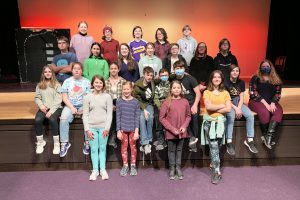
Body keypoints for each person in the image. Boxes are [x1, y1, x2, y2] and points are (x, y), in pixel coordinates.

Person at [201, 70, 231, 185]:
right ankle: (216, 172)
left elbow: (228, 109)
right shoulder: (207, 92)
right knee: (213, 147)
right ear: (211, 79)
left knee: (217, 148)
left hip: (221, 124)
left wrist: (215, 108)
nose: (217, 79)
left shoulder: (226, 93)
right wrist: (222, 105)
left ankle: (213, 164)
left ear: (222, 79)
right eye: (215, 77)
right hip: (210, 124)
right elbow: (208, 107)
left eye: (219, 77)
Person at [83, 75, 113, 181]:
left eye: (100, 82)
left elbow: (110, 114)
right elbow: (85, 115)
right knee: (94, 149)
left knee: (103, 149)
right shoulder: (87, 97)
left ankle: (102, 170)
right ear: (92, 84)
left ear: (103, 84)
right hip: (91, 128)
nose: (98, 84)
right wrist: (87, 130)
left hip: (104, 128)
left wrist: (107, 128)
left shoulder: (107, 97)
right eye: (96, 82)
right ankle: (95, 170)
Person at [159, 80, 191, 180]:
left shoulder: (185, 101)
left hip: (182, 131)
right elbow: (161, 118)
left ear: (181, 89)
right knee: (171, 150)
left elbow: (188, 116)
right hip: (170, 132)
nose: (176, 90)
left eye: (178, 88)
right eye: (174, 88)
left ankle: (178, 167)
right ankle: (172, 168)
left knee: (179, 149)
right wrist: (172, 129)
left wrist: (184, 126)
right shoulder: (166, 102)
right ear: (171, 89)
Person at [248, 59, 283, 149]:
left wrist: (272, 102)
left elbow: (277, 93)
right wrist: (266, 104)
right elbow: (253, 93)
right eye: (263, 66)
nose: (265, 68)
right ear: (260, 68)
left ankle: (268, 138)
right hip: (256, 101)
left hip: (271, 102)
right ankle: (265, 135)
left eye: (267, 66)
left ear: (271, 68)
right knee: (264, 112)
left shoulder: (276, 79)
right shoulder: (255, 78)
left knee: (278, 112)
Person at [59, 62, 91, 157]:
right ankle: (64, 143)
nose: (77, 70)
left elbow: (88, 97)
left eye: (79, 68)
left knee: (87, 118)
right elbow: (64, 98)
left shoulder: (87, 81)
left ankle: (87, 142)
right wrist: (72, 107)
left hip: (83, 105)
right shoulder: (67, 81)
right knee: (63, 118)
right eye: (75, 68)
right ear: (72, 70)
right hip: (69, 105)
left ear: (82, 71)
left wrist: (83, 109)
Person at [225, 65, 258, 155]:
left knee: (250, 116)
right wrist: (235, 108)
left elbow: (242, 98)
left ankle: (250, 140)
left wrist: (239, 108)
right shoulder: (225, 83)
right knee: (231, 117)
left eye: (237, 71)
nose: (235, 72)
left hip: (239, 103)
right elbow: (226, 99)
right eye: (233, 71)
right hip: (229, 103)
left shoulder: (241, 83)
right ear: (230, 72)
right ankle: (229, 142)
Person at [170, 60, 200, 152]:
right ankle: (190, 137)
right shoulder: (172, 78)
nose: (179, 70)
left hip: (191, 103)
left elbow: (198, 93)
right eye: (177, 68)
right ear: (174, 70)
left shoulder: (191, 79)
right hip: (179, 104)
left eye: (181, 68)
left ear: (184, 69)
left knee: (194, 116)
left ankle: (194, 138)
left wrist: (195, 105)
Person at [34, 65, 62, 154]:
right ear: (43, 74)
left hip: (55, 107)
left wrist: (51, 111)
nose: (48, 73)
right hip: (44, 108)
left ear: (52, 73)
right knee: (38, 120)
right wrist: (41, 105)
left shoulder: (57, 85)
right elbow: (37, 98)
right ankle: (40, 142)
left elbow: (59, 99)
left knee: (53, 119)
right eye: (45, 72)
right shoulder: (39, 85)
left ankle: (57, 143)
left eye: (49, 71)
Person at [133, 67, 160, 155]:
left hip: (149, 104)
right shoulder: (137, 85)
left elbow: (164, 78)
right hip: (140, 105)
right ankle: (144, 143)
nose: (149, 77)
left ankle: (149, 140)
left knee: (150, 117)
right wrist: (143, 109)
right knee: (141, 118)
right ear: (144, 75)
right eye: (147, 75)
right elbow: (137, 99)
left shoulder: (152, 82)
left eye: (151, 75)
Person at [116, 81, 140, 176]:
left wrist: (137, 131)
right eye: (124, 89)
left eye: (128, 89)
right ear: (122, 90)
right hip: (123, 130)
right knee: (124, 148)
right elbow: (118, 116)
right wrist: (118, 131)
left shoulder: (136, 102)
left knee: (133, 148)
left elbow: (137, 117)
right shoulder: (119, 101)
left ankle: (133, 165)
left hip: (133, 130)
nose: (126, 91)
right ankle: (125, 165)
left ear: (131, 89)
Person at [105, 62, 126, 148]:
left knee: (116, 114)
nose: (113, 70)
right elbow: (104, 96)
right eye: (112, 68)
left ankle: (114, 139)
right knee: (111, 114)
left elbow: (125, 94)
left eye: (115, 68)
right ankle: (111, 139)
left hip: (120, 103)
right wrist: (110, 105)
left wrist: (118, 105)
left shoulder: (123, 81)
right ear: (109, 70)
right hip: (108, 104)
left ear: (118, 69)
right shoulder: (105, 82)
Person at [153, 68, 170, 150]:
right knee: (157, 119)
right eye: (162, 75)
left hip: (169, 107)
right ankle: (161, 141)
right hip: (159, 107)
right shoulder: (157, 86)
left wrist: (167, 106)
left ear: (168, 76)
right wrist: (160, 107)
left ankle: (168, 141)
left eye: (165, 75)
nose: (164, 77)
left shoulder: (171, 85)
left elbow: (171, 97)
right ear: (159, 76)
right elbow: (155, 98)